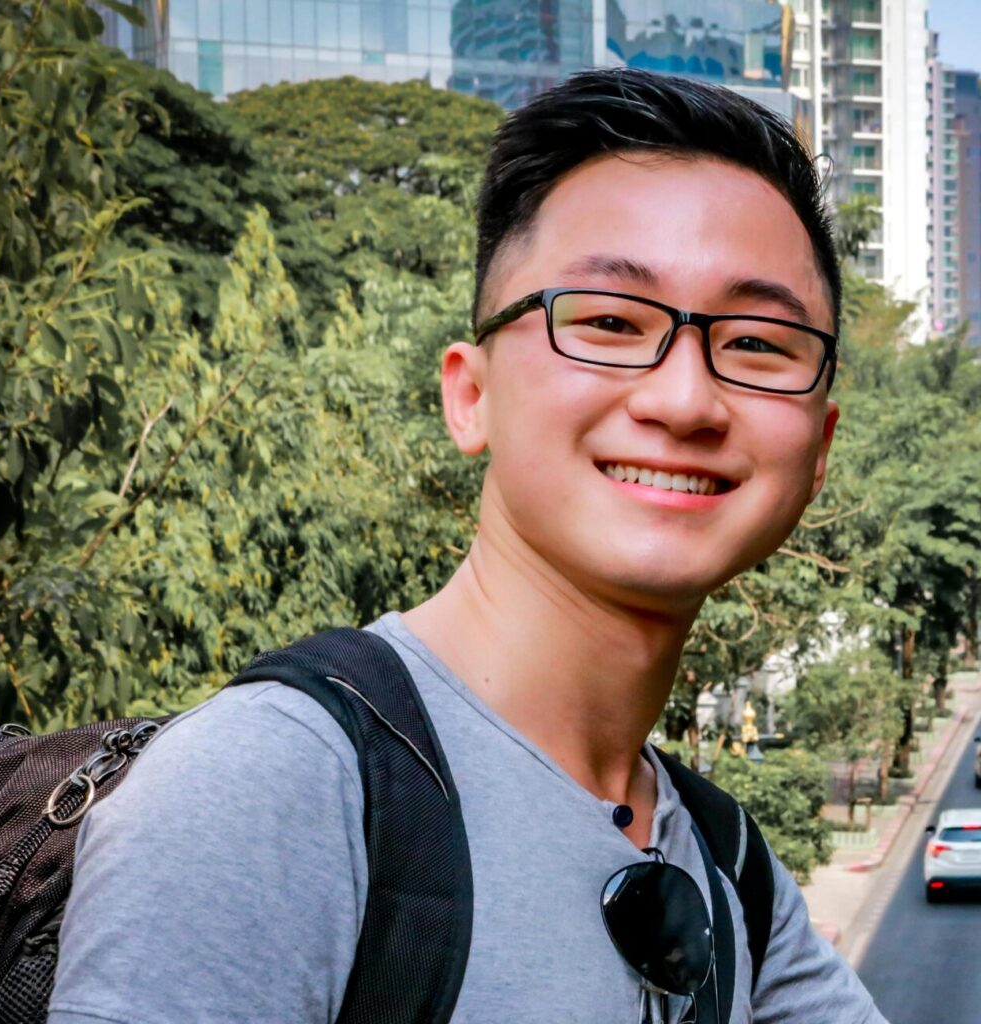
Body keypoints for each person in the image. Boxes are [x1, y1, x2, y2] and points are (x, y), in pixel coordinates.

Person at [48, 68, 887, 1024]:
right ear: (470, 394)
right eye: (610, 323)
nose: (685, 400)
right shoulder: (282, 789)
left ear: (817, 450)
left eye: (756, 344)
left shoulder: (734, 876)